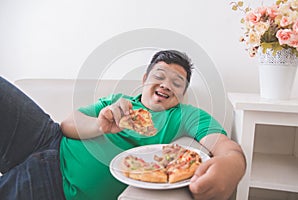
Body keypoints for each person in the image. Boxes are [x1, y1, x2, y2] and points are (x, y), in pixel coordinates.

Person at [0, 50, 246, 200]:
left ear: (183, 93)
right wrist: (100, 124)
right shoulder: (119, 102)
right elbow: (66, 124)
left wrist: (232, 167)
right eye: (159, 76)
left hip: (55, 182)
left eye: (177, 83)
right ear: (145, 80)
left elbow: (225, 147)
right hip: (46, 137)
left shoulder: (186, 115)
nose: (166, 85)